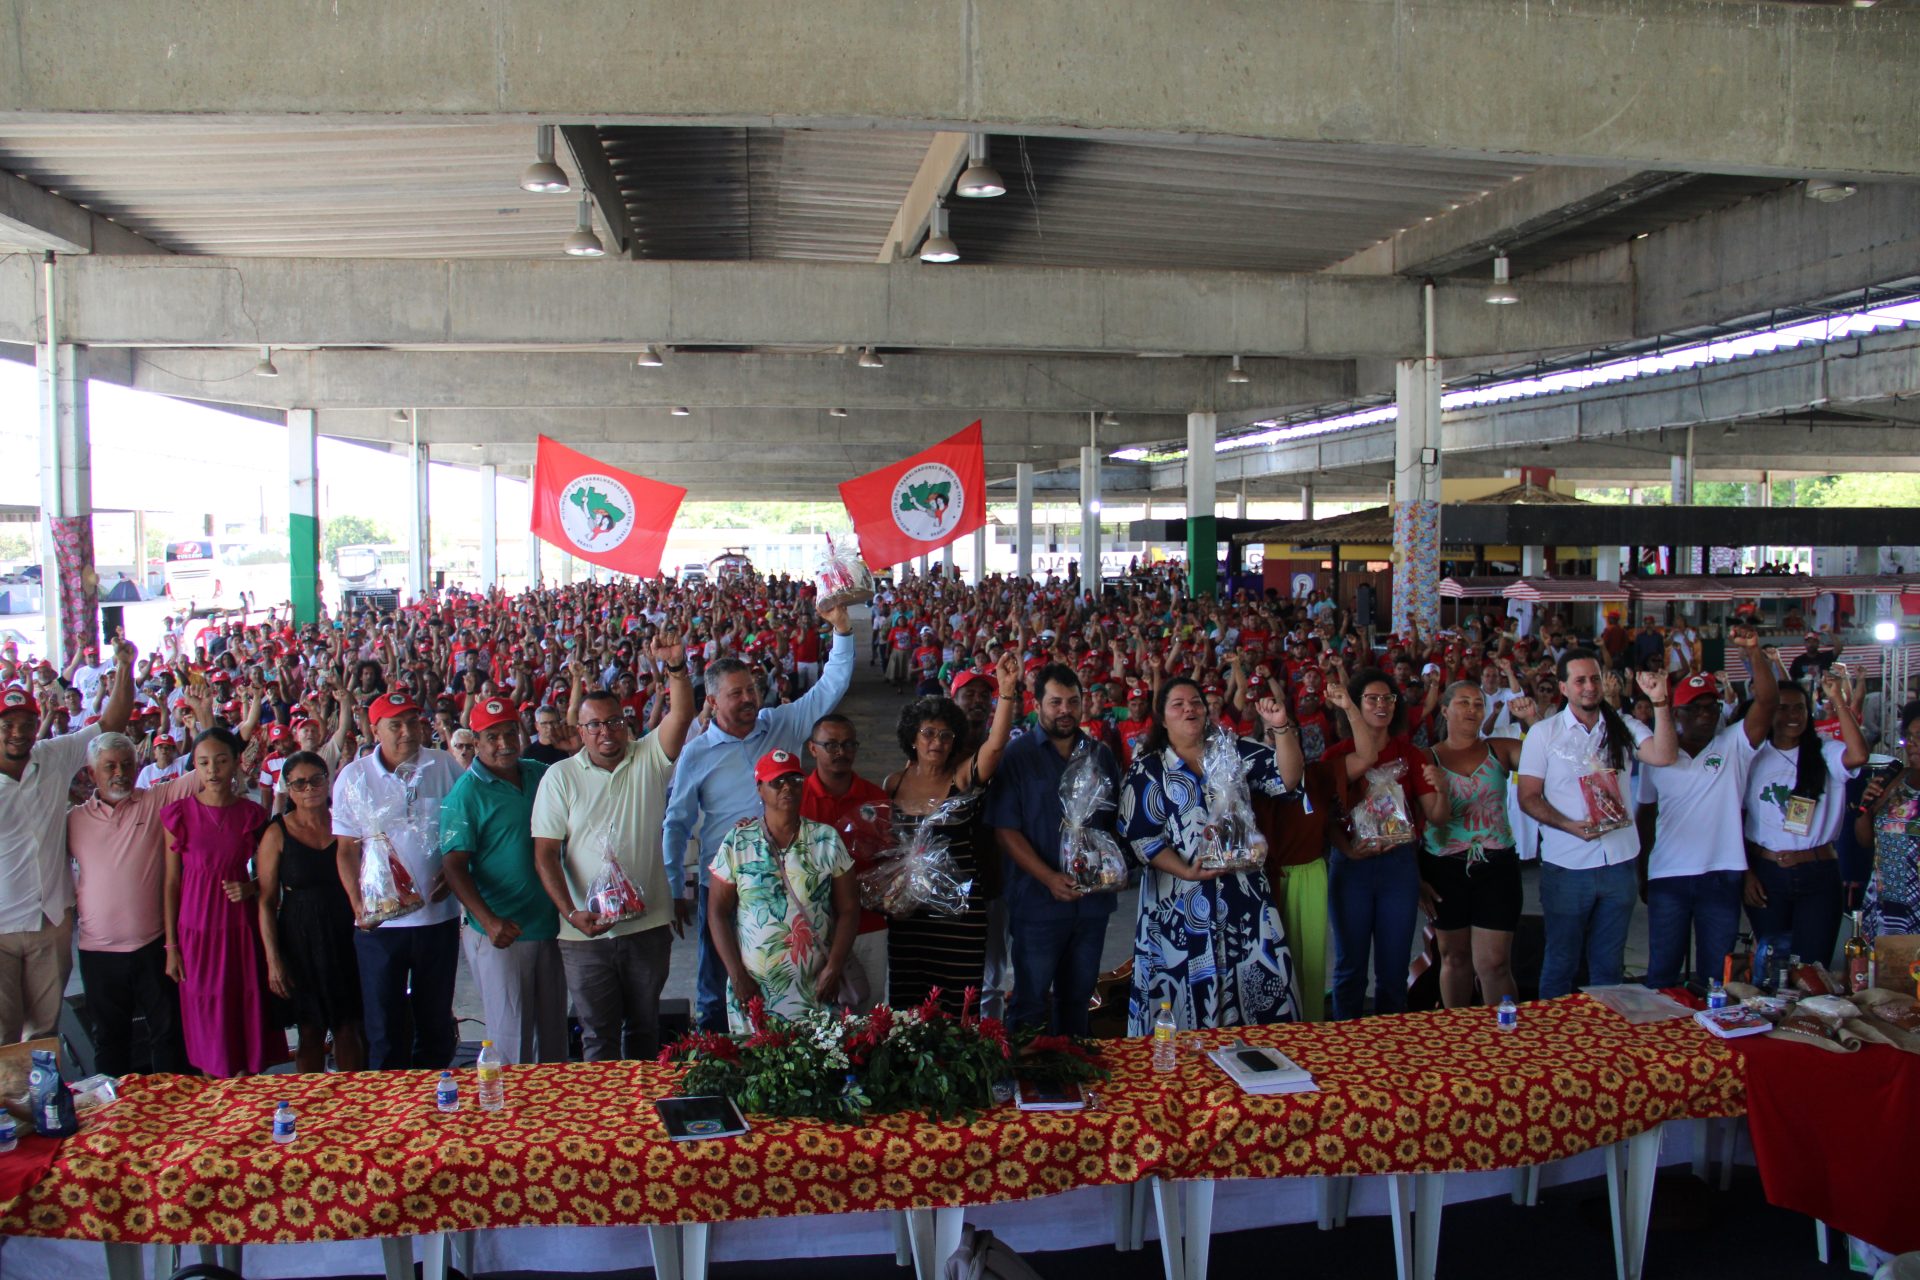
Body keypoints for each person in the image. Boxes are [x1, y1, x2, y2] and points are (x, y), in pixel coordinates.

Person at [662, 601, 854, 1032]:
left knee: (800, 984)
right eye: (737, 693)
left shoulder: (781, 724)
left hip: (798, 881)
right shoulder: (697, 754)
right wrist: (675, 885)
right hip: (726, 888)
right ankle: (719, 1072)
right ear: (712, 700)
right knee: (719, 986)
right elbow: (675, 823)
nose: (750, 698)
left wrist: (841, 631)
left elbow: (831, 686)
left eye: (752, 689)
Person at [532, 637, 698, 1060]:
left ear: (627, 723)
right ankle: (602, 1122)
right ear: (580, 730)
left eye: (615, 722)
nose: (606, 732)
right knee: (597, 1035)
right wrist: (571, 912)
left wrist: (676, 669)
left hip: (647, 927)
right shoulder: (560, 778)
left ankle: (641, 1117)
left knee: (645, 1029)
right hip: (583, 933)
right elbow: (546, 854)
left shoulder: (647, 758)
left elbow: (681, 715)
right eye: (594, 725)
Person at [1117, 676, 1305, 1033]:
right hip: (1178, 907)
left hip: (1243, 899)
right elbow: (1140, 837)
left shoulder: (1231, 750)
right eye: (1178, 704)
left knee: (1256, 999)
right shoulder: (1149, 768)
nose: (1189, 708)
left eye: (1196, 702)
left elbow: (1287, 779)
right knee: (1182, 1000)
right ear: (1163, 717)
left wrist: (1281, 729)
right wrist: (1185, 871)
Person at [1518, 651, 1676, 999]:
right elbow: (1528, 797)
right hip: (1568, 865)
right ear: (1563, 687)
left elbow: (1664, 756)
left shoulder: (1624, 726)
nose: (1589, 687)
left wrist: (1660, 702)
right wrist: (1567, 825)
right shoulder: (1544, 734)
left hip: (1619, 864)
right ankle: (1553, 1041)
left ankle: (1604, 1041)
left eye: (1594, 679)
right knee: (1561, 961)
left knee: (1608, 965)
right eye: (1580, 680)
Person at [0, 641, 134, 1044]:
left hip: (51, 920)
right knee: (2, 1035)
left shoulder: (52, 756)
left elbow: (112, 723)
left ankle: (41, 1107)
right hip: (0, 926)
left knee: (43, 1030)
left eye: (26, 723)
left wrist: (124, 666)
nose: (19, 733)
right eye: (8, 724)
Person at [1635, 629, 1775, 990]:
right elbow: (1646, 816)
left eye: (1711, 706)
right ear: (1675, 713)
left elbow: (1767, 703)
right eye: (1695, 708)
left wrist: (1754, 653)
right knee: (1663, 973)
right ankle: (1660, 1041)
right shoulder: (1656, 755)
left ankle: (1713, 1041)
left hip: (1722, 873)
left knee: (1717, 976)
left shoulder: (1734, 745)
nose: (1705, 714)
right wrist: (1642, 872)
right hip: (1667, 875)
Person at [883, 653, 1022, 1015]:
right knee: (907, 1003)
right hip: (909, 916)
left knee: (959, 1006)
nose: (937, 742)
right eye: (928, 733)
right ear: (912, 738)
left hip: (959, 915)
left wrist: (1006, 693)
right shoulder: (894, 784)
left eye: (946, 735)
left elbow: (994, 747)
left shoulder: (962, 777)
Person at [331, 691, 463, 1071]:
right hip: (381, 924)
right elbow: (345, 849)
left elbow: (462, 830)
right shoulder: (353, 777)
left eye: (412, 722)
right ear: (375, 730)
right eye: (395, 725)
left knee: (435, 1019)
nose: (407, 732)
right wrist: (358, 904)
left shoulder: (443, 765)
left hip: (437, 919)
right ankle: (389, 1112)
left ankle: (438, 1101)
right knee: (384, 1023)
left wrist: (453, 872)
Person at [985, 663, 1119, 1034]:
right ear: (1037, 705)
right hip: (1037, 903)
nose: (1065, 710)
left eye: (1073, 702)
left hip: (1092, 903)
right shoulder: (1017, 755)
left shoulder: (1100, 755)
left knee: (1077, 999)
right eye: (1055, 702)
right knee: (1029, 999)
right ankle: (1023, 1082)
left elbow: (1113, 824)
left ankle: (1071, 1074)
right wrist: (1048, 878)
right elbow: (1005, 830)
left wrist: (1113, 870)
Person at [441, 698, 565, 1064]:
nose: (504, 743)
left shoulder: (537, 773)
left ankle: (560, 1115)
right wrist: (489, 920)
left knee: (554, 1035)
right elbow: (453, 866)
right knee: (513, 1039)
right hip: (502, 931)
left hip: (550, 923)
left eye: (511, 732)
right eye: (492, 736)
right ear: (476, 742)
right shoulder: (467, 792)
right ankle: (513, 1119)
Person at [66, 730, 199, 1075]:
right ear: (92, 773)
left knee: (168, 1033)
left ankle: (175, 1111)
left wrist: (201, 719)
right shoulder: (74, 820)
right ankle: (114, 1119)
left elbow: (205, 769)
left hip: (153, 945)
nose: (119, 773)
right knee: (109, 1038)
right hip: (98, 952)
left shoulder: (155, 800)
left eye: (126, 764)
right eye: (109, 766)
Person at [161, 728, 288, 1077]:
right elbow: (171, 882)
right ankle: (212, 1108)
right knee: (203, 1012)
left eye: (220, 761)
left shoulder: (252, 815)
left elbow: (273, 873)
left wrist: (250, 888)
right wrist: (171, 945)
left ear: (235, 764)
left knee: (243, 1005)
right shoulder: (178, 814)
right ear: (195, 768)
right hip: (195, 931)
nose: (212, 770)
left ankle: (248, 1105)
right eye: (203, 763)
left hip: (241, 928)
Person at [1321, 670, 1444, 1020]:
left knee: (1393, 969)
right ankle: (1346, 1048)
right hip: (1351, 866)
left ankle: (1393, 1047)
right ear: (1355, 707)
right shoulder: (1338, 753)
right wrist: (1346, 849)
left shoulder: (1412, 754)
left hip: (1398, 866)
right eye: (1372, 699)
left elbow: (1431, 816)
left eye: (1388, 698)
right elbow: (1327, 817)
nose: (1381, 705)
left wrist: (1442, 788)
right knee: (1350, 967)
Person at [707, 749, 859, 1032]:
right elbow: (717, 911)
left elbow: (849, 908)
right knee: (758, 1069)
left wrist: (834, 968)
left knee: (816, 1068)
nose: (787, 787)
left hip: (815, 988)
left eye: (794, 780)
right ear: (760, 790)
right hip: (754, 991)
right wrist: (736, 974)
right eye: (776, 781)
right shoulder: (738, 842)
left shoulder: (826, 839)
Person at [1419, 682, 1538, 1010]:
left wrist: (1531, 721)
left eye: (1478, 704)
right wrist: (1416, 878)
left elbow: (1544, 759)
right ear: (1444, 710)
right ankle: (1460, 1039)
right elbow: (1414, 823)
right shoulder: (1427, 758)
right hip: (1443, 869)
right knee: (1455, 959)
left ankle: (1505, 1040)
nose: (1472, 709)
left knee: (1495, 963)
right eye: (1463, 703)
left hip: (1497, 867)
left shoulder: (1500, 748)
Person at [1744, 669, 1866, 969]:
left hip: (1818, 872)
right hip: (1766, 872)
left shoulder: (1824, 750)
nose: (1792, 715)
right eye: (1782, 707)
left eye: (1799, 707)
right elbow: (1737, 818)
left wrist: (1837, 698)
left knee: (1813, 969)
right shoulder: (1752, 756)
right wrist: (1745, 874)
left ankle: (1807, 1018)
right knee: (1771, 967)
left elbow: (1859, 755)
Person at [257, 751, 365, 1073]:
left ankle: (354, 1106)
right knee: (310, 1030)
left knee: (349, 1028)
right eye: (300, 783)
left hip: (346, 935)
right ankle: (311, 1108)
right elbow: (264, 900)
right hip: (299, 940)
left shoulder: (346, 824)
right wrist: (273, 960)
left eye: (316, 779)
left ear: (327, 781)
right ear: (288, 789)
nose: (309, 789)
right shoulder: (277, 833)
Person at [798, 713, 891, 1012]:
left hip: (867, 926)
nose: (841, 752)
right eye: (832, 745)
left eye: (849, 744)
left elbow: (890, 858)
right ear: (813, 749)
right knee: (814, 1018)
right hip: (812, 929)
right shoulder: (796, 798)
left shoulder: (875, 798)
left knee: (868, 1016)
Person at [1856, 699, 1920, 943]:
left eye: (1919, 736)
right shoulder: (1894, 780)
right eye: (1909, 736)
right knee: (1883, 976)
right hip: (1888, 900)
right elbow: (1865, 841)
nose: (1912, 744)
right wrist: (1865, 807)